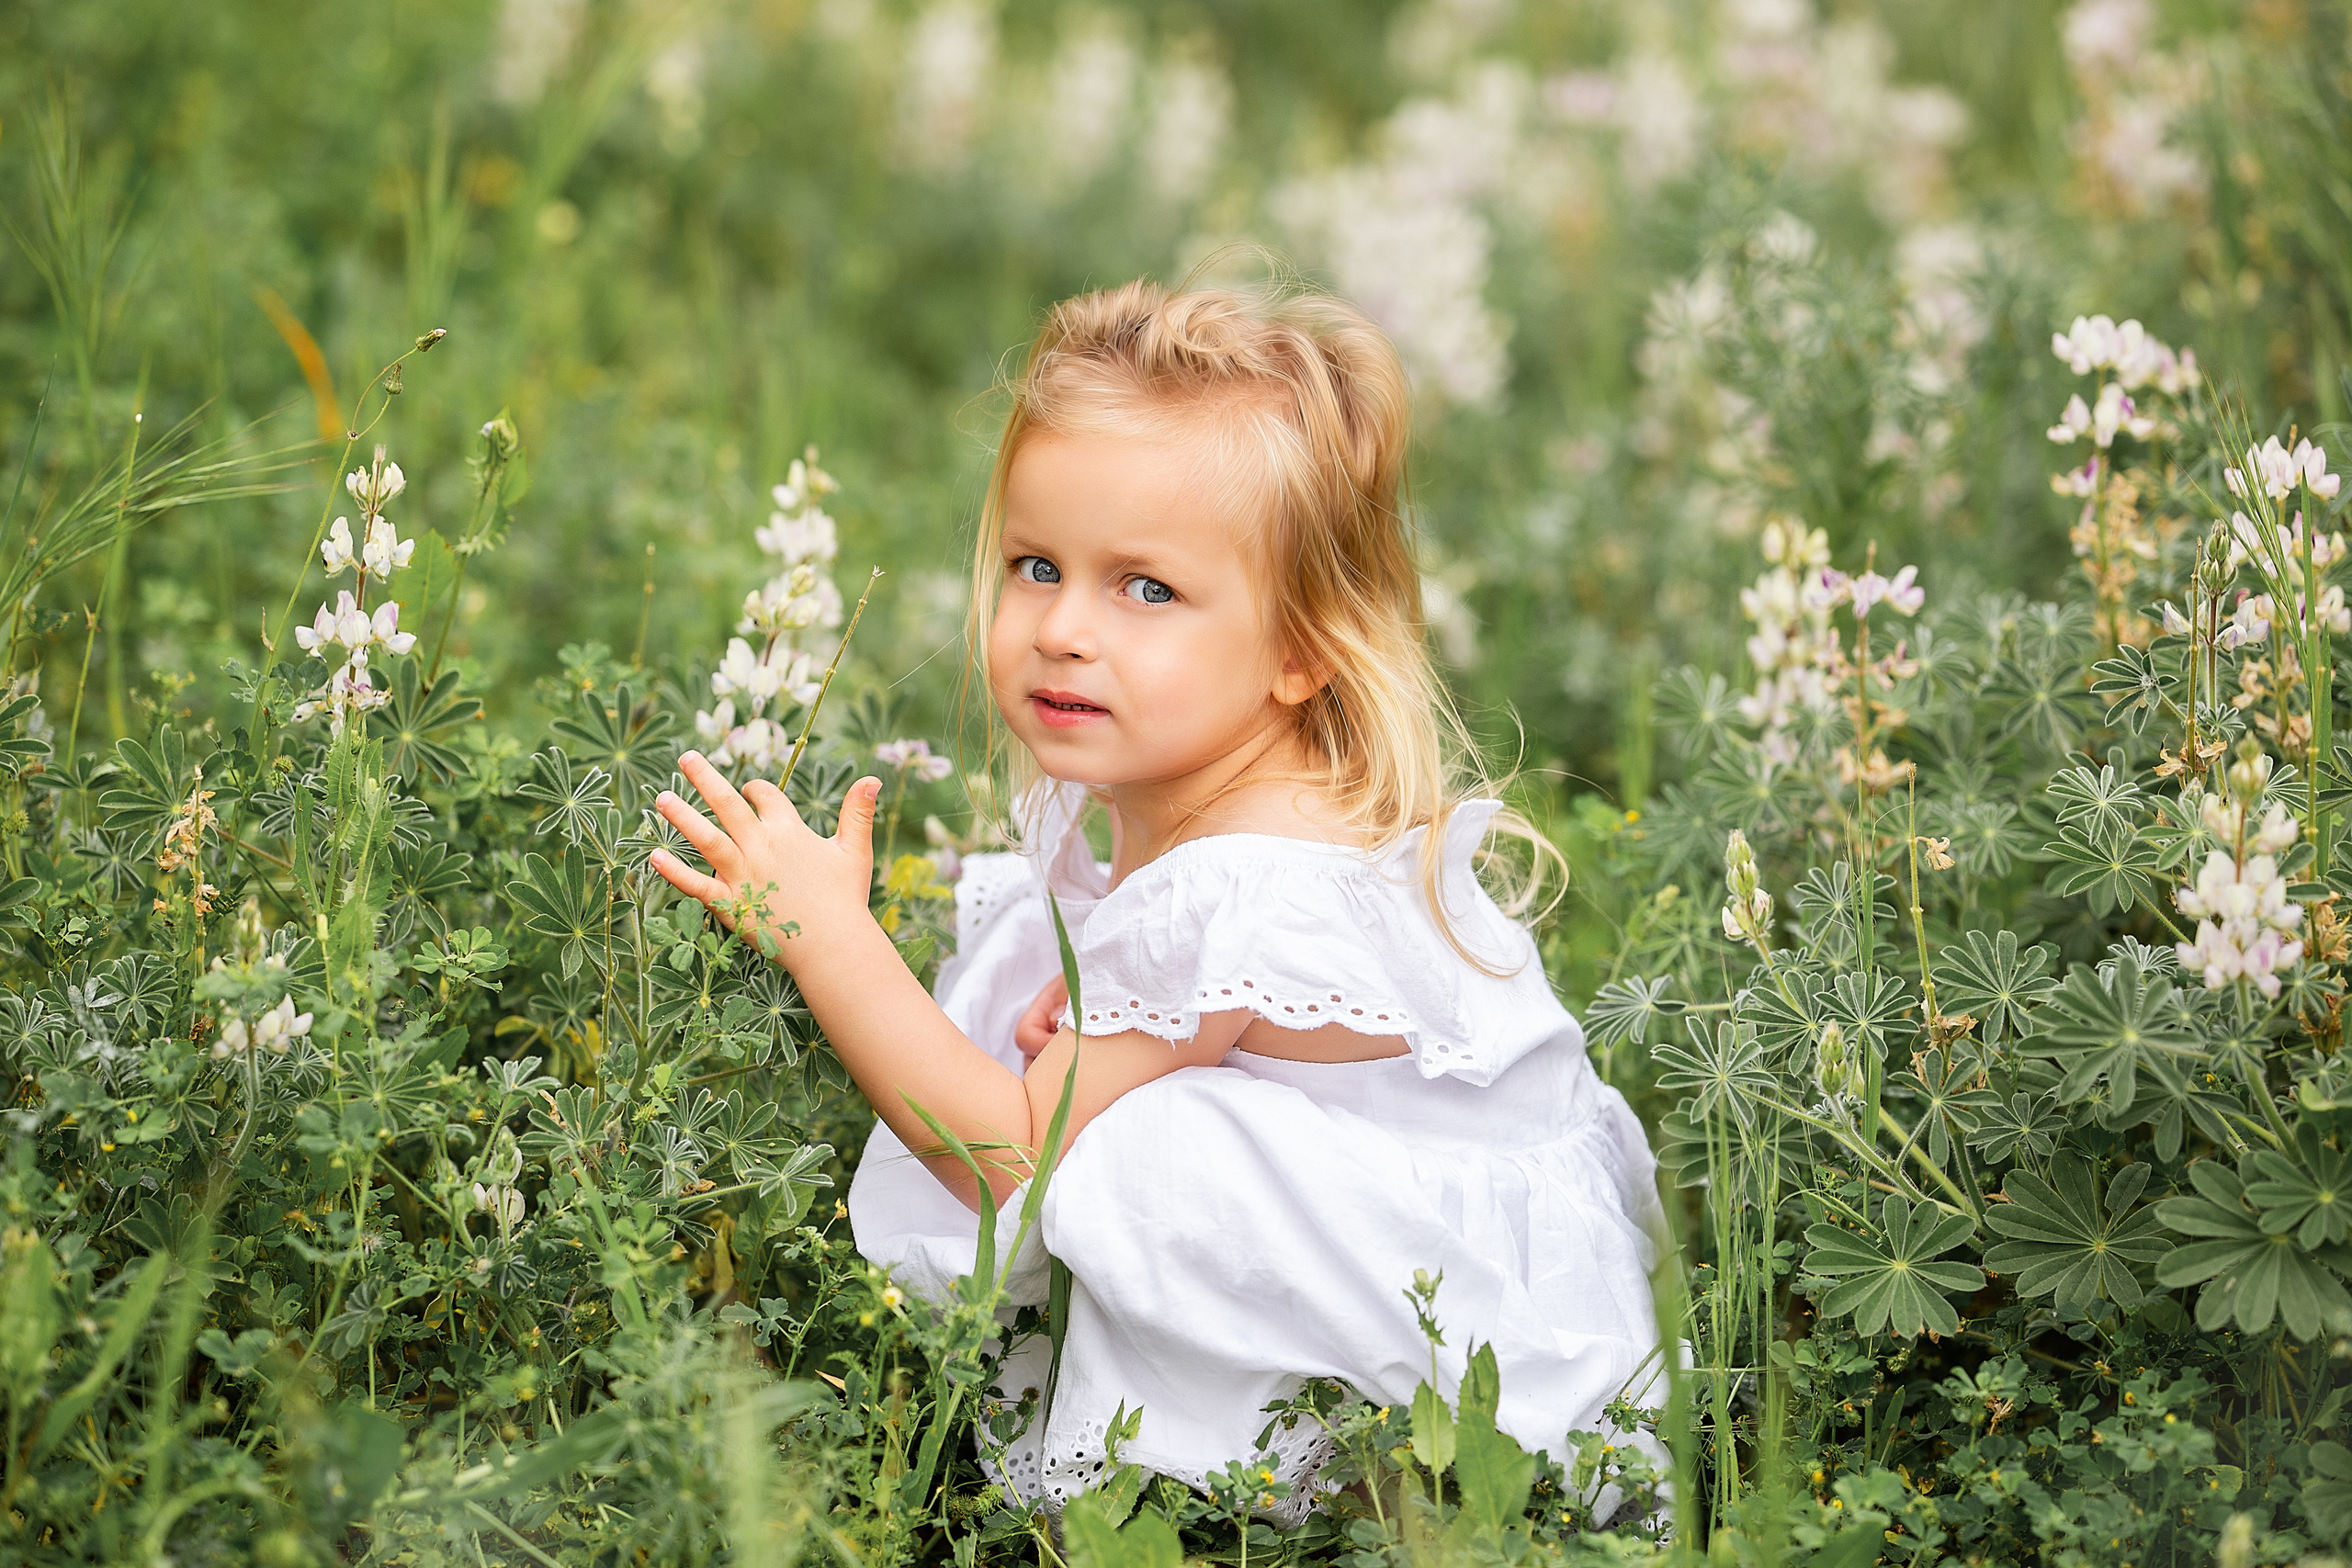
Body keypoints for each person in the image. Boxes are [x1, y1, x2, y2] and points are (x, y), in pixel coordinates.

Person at [648, 277, 1665, 1522]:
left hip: (1464, 1374)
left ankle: (1291, 1488)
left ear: (1303, 649)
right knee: (1123, 1103)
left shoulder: (1243, 881)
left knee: (1127, 1149)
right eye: (1037, 565)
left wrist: (827, 937)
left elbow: (1004, 1155)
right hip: (1488, 1294)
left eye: (1147, 590)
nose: (1064, 629)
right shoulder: (1236, 797)